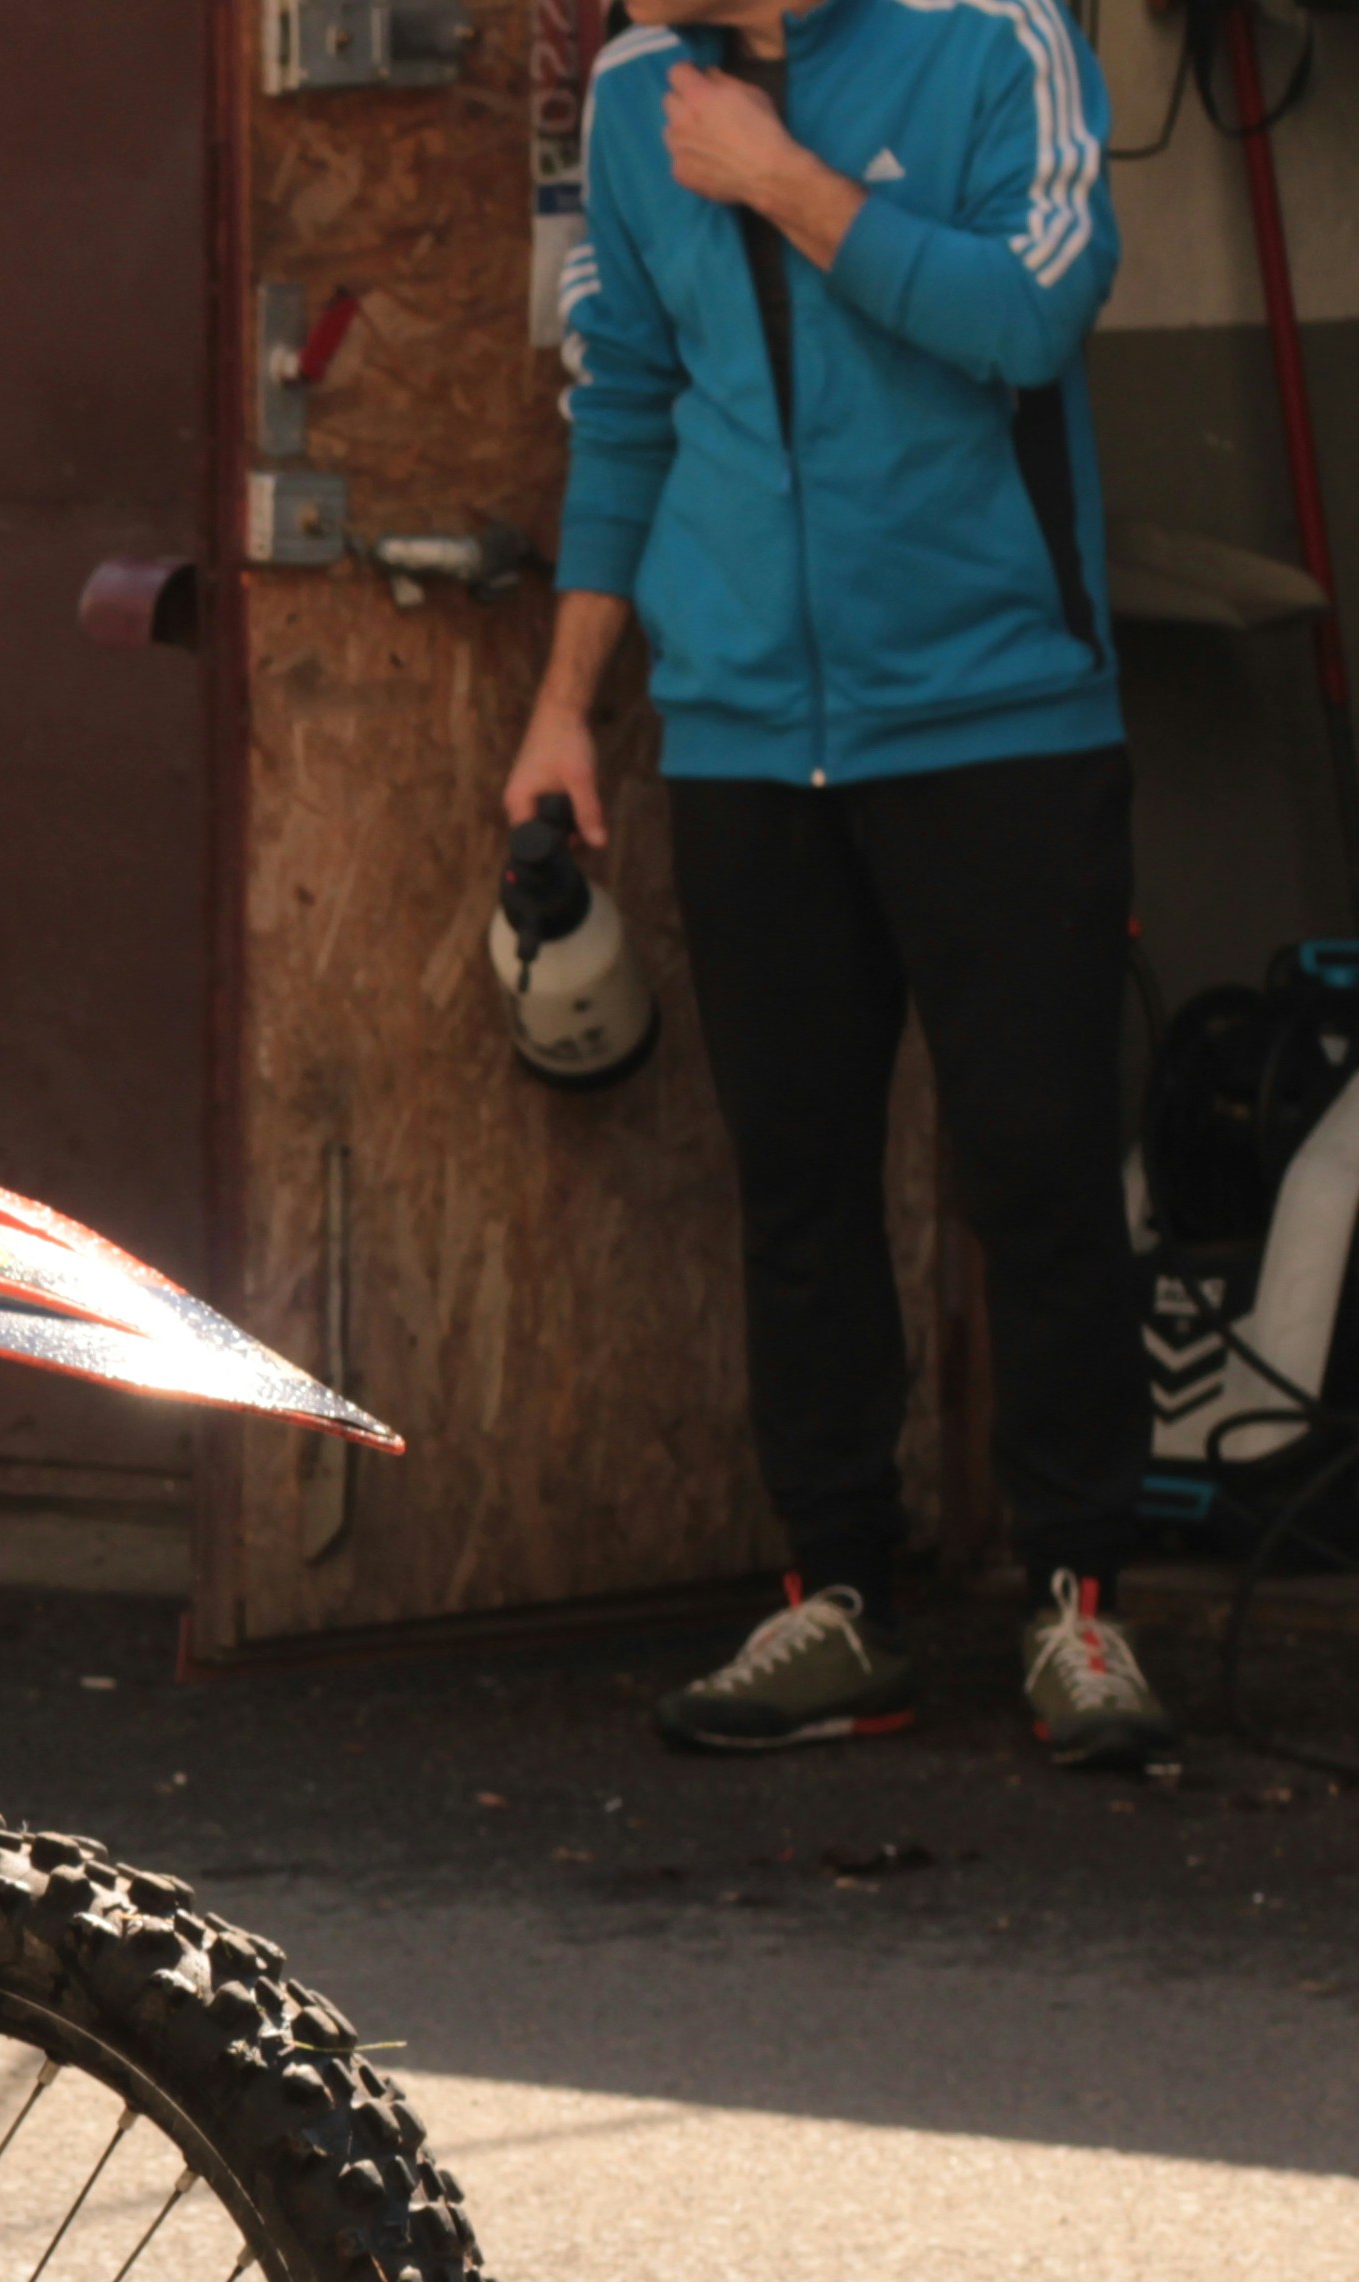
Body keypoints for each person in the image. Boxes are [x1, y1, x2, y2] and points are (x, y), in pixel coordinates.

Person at [517, 0, 1171, 1770]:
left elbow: (1028, 318)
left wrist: (787, 179)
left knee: (1035, 1165)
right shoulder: (641, 92)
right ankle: (837, 1600)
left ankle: (1081, 1603)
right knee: (797, 1187)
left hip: (995, 716)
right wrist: (568, 708)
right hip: (746, 734)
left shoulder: (998, 40)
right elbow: (629, 407)